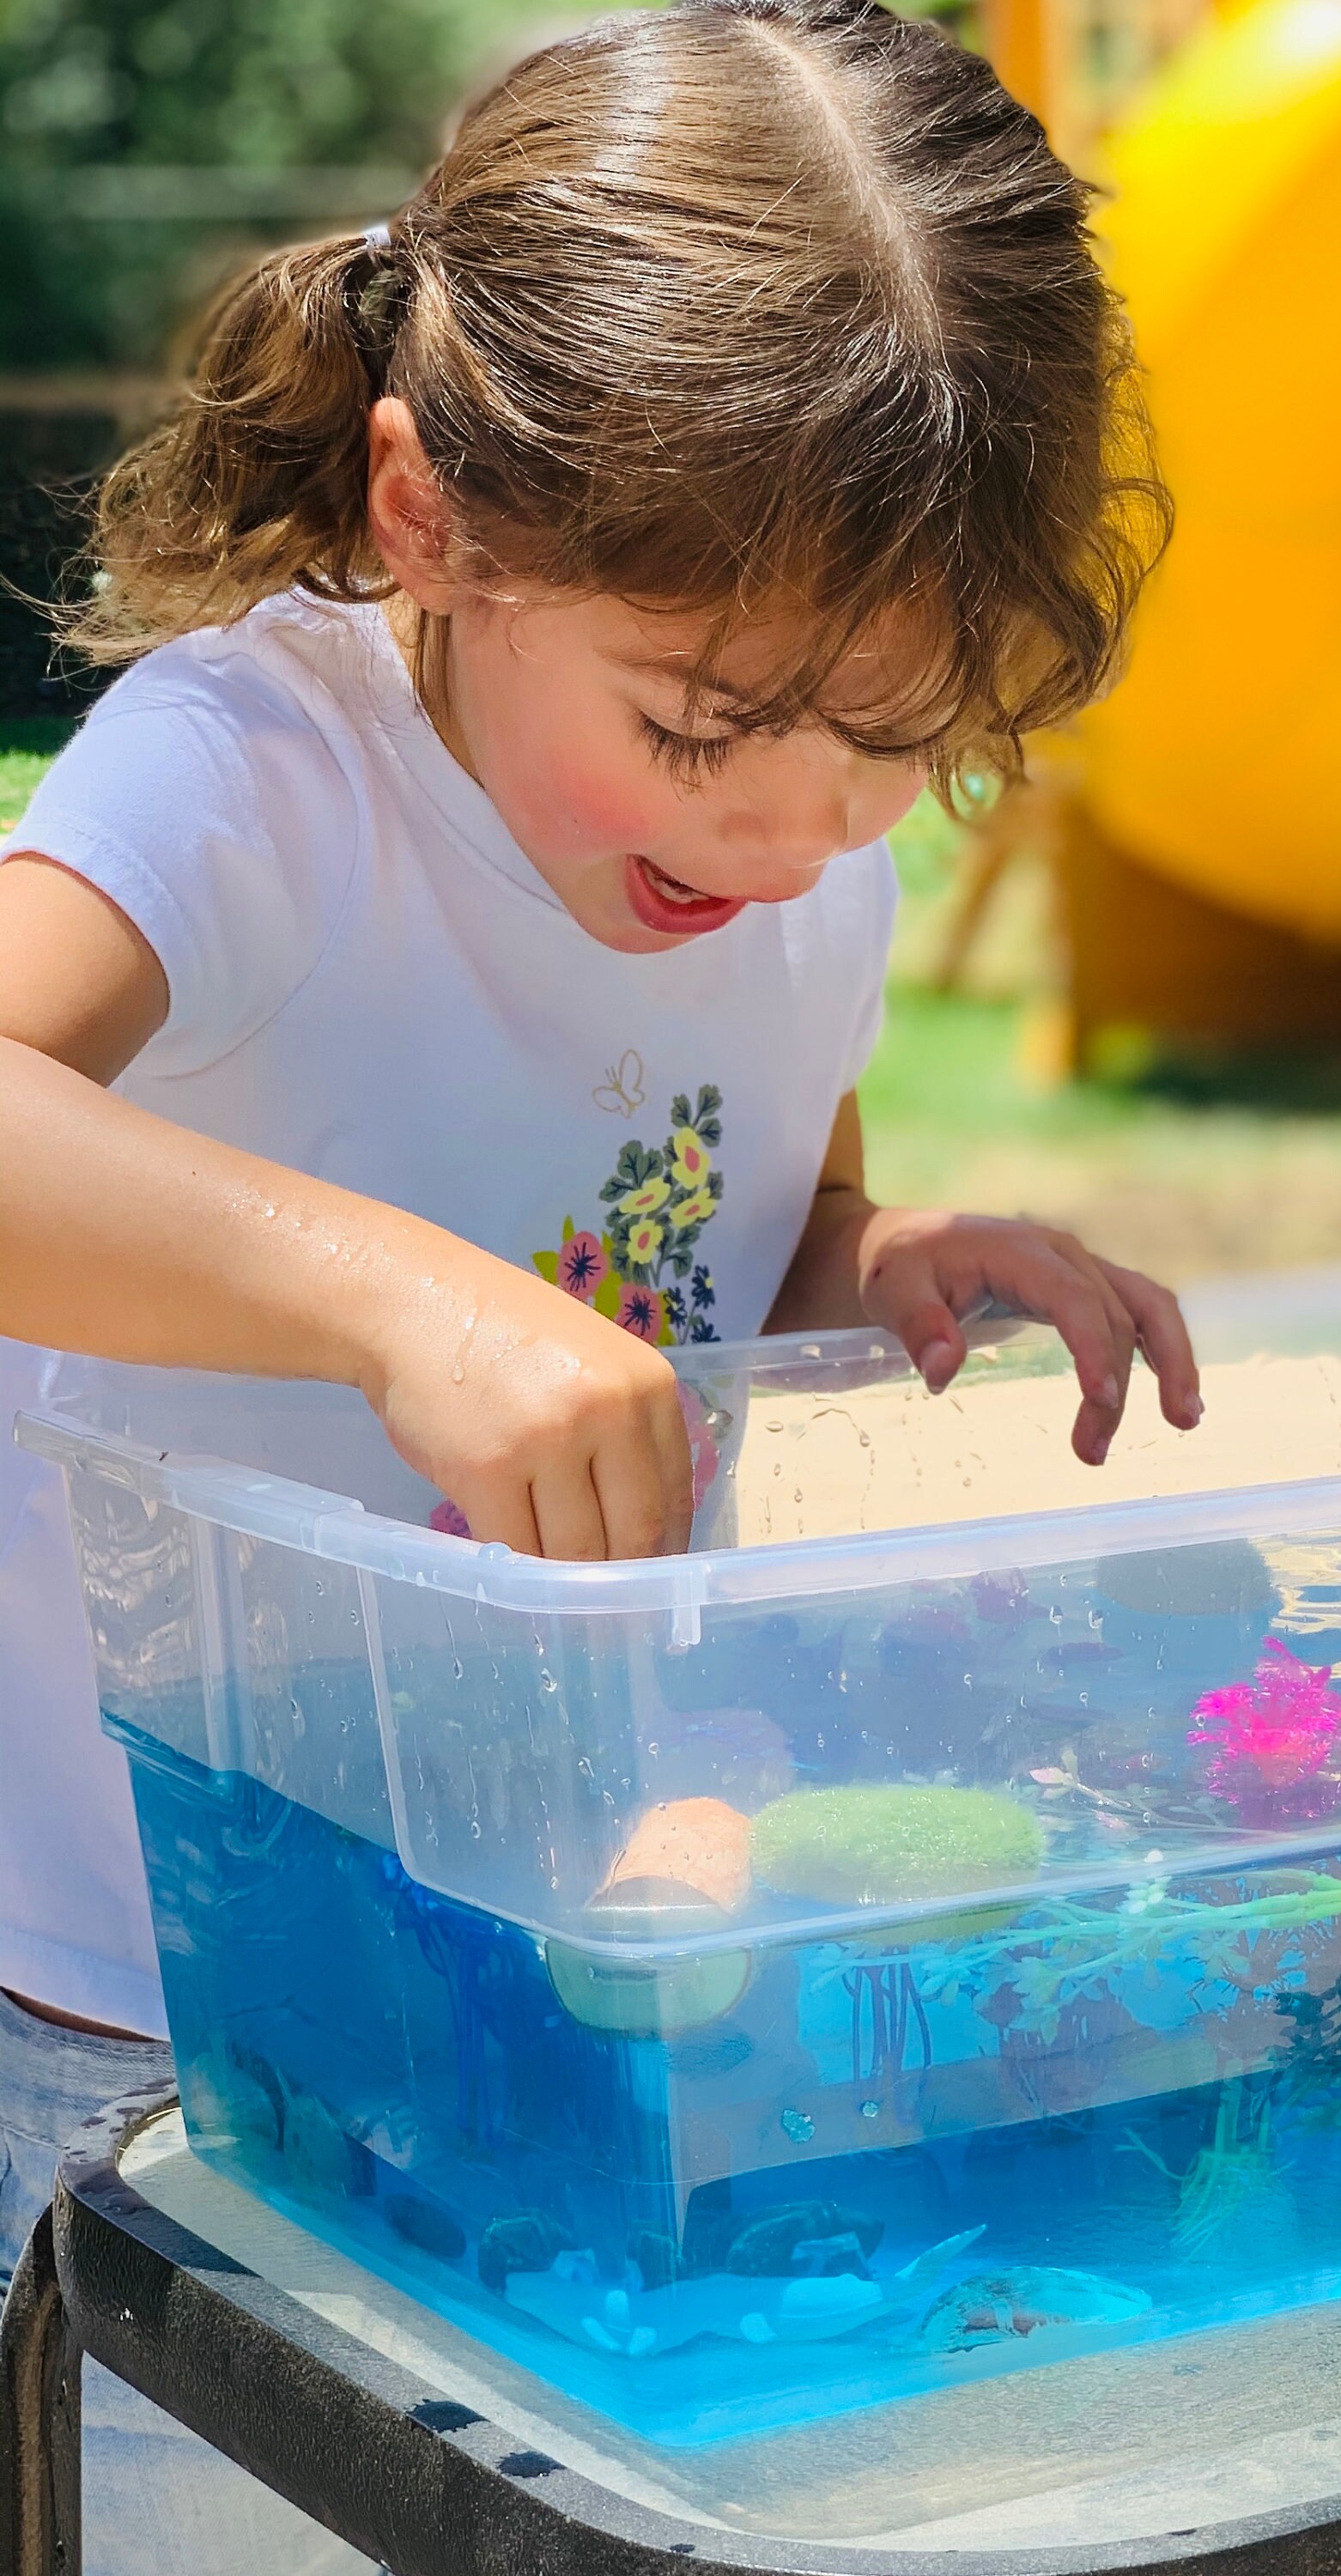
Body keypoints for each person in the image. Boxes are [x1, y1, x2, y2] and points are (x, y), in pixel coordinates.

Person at [0, 6, 1194, 2563]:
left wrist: (892, 1270)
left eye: (897, 747)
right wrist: (395, 1304)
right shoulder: (263, 777)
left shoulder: (798, 881)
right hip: (107, 2006)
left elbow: (740, 1222)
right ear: (430, 516)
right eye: (706, 726)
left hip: (523, 1949)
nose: (791, 830)